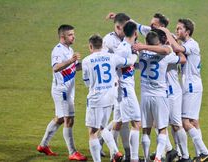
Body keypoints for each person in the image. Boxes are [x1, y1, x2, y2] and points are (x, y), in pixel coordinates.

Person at [159, 19, 208, 162]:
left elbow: (177, 49)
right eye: (176, 29)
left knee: (185, 122)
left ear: (187, 32)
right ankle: (199, 154)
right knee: (194, 122)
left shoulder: (192, 44)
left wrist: (165, 32)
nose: (177, 31)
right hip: (192, 85)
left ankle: (204, 152)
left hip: (191, 86)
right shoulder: (188, 44)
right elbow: (178, 47)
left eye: (179, 29)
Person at [82, 34, 138, 162]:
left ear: (90, 46)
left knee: (92, 131)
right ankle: (115, 151)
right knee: (102, 127)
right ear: (102, 45)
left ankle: (107, 155)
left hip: (95, 98)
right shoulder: (112, 57)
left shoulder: (86, 61)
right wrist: (135, 54)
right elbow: (128, 62)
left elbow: (86, 82)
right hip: (110, 97)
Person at [37, 24, 87, 161]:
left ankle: (43, 145)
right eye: (70, 34)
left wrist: (89, 62)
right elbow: (56, 68)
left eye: (73, 34)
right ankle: (72, 152)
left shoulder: (69, 49)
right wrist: (71, 60)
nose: (73, 36)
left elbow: (74, 67)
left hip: (67, 89)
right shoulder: (57, 50)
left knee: (59, 118)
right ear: (62, 36)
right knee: (69, 119)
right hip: (62, 91)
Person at [137, 30, 186, 162]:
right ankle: (158, 157)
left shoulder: (141, 52)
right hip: (160, 96)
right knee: (162, 129)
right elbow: (182, 59)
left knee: (146, 129)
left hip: (145, 96)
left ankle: (147, 158)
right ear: (158, 42)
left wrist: (143, 46)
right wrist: (176, 45)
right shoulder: (166, 55)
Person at [103, 12, 132, 160]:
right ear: (118, 27)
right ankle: (115, 153)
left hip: (121, 83)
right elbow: (121, 60)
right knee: (119, 120)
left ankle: (118, 151)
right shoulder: (110, 40)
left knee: (121, 119)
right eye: (125, 28)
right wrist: (134, 57)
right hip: (110, 86)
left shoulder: (122, 35)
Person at [114, 21, 141, 162]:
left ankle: (117, 153)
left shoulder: (126, 47)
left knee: (118, 122)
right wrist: (132, 58)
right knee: (136, 123)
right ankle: (134, 159)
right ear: (135, 33)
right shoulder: (124, 48)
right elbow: (116, 63)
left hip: (123, 89)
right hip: (125, 90)